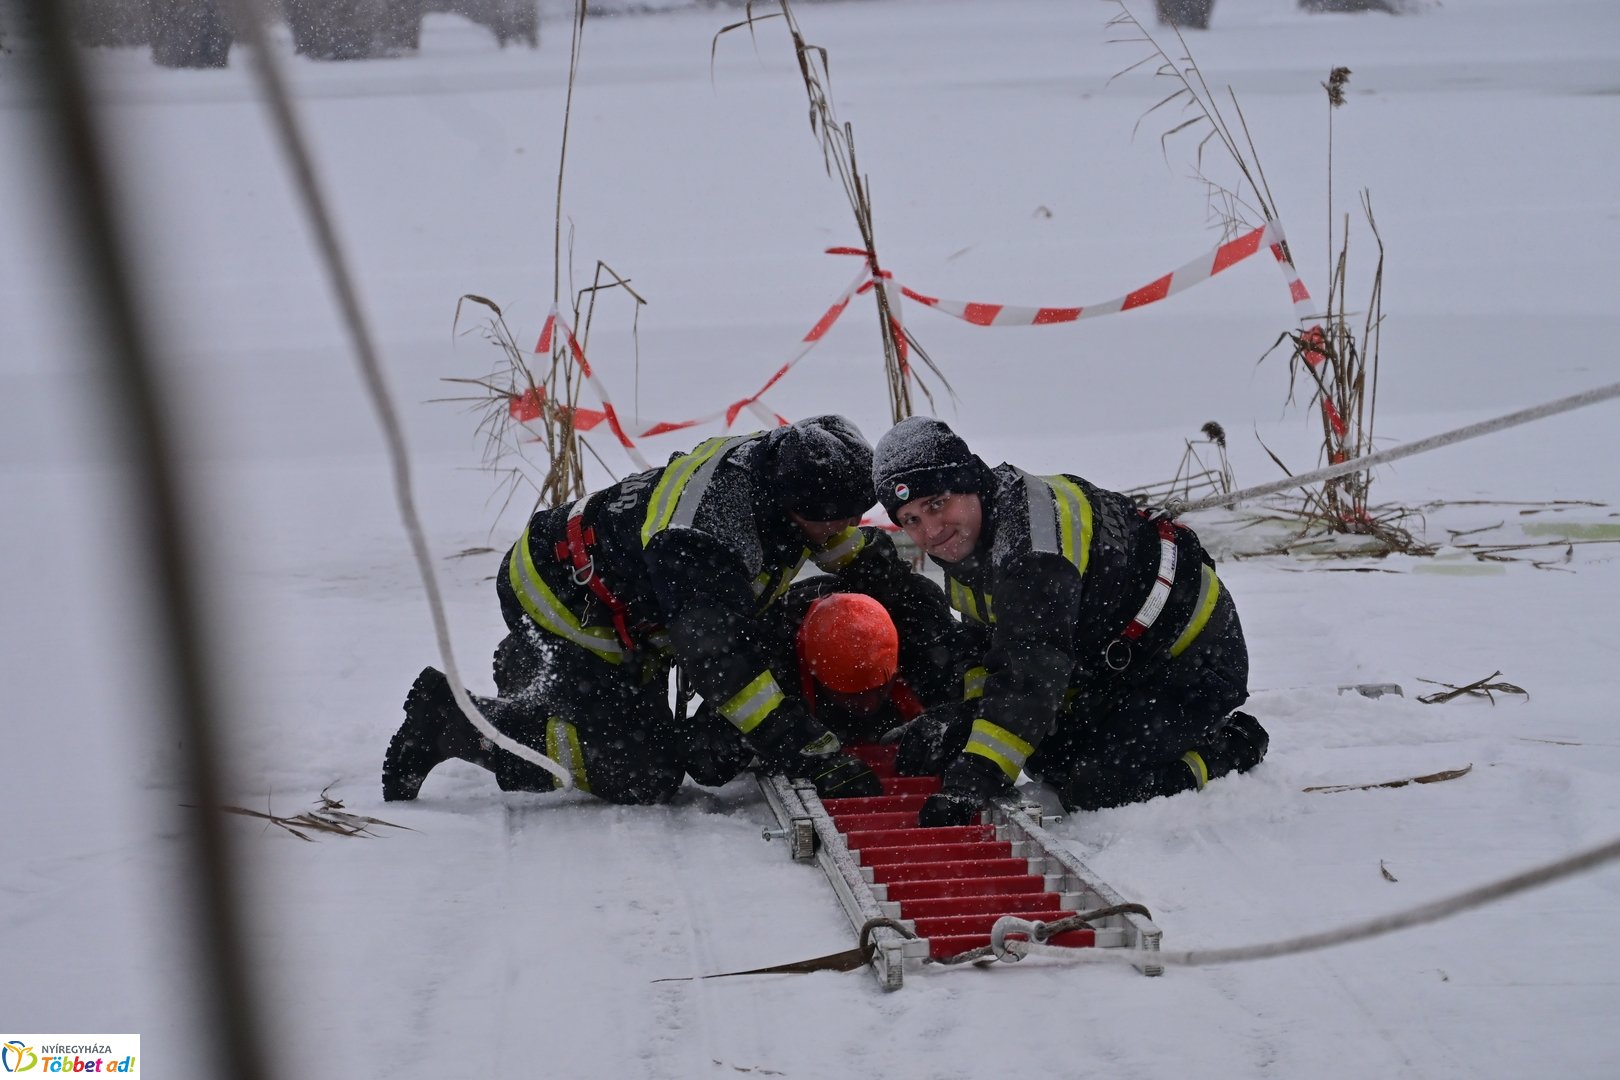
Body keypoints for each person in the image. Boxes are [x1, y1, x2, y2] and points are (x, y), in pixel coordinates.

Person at [383, 415, 936, 805]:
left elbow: (862, 562)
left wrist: (941, 648)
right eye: (840, 516)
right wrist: (809, 751)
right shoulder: (704, 535)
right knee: (641, 771)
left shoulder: (787, 477)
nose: (849, 525)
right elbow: (723, 664)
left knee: (751, 648)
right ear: (798, 505)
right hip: (560, 601)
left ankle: (542, 679)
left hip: (639, 591)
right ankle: (459, 723)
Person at [871, 416, 1269, 827]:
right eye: (911, 519)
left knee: (1100, 787)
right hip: (1116, 662)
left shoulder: (1033, 545)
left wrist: (973, 778)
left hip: (1192, 660)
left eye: (936, 504)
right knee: (1048, 757)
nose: (931, 531)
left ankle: (1231, 745)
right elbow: (984, 646)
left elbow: (1032, 670)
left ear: (970, 483)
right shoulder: (971, 534)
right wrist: (967, 717)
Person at [683, 582, 962, 787]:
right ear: (815, 673)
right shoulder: (770, 653)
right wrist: (789, 745)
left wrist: (946, 723)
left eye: (878, 691)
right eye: (852, 696)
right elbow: (705, 762)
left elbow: (980, 697)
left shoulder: (922, 631)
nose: (867, 705)